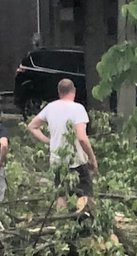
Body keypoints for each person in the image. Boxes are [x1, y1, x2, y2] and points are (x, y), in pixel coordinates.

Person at [27, 79, 98, 211]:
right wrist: (92, 158)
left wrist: (49, 141)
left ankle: (61, 218)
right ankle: (87, 218)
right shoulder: (78, 108)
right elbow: (82, 138)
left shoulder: (50, 107)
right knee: (86, 194)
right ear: (74, 91)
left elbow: (32, 126)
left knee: (61, 195)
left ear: (59, 92)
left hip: (57, 160)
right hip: (76, 160)